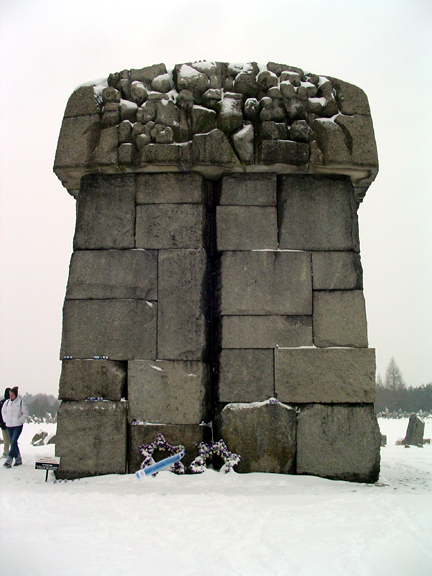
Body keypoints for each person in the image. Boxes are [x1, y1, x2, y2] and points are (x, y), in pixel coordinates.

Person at [1, 386, 29, 468]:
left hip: (17, 426)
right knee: (14, 443)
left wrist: (21, 420)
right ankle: (18, 459)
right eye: (9, 395)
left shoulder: (20, 403)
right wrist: (5, 420)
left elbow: (25, 413)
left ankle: (9, 460)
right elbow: (3, 412)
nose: (10, 397)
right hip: (9, 425)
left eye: (12, 395)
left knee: (13, 442)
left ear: (15, 395)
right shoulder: (7, 403)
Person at [0, 388, 11, 457]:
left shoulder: (2, 402)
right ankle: (8, 452)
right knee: (9, 440)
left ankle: (6, 452)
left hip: (4, 424)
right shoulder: (11, 402)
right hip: (9, 424)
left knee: (6, 440)